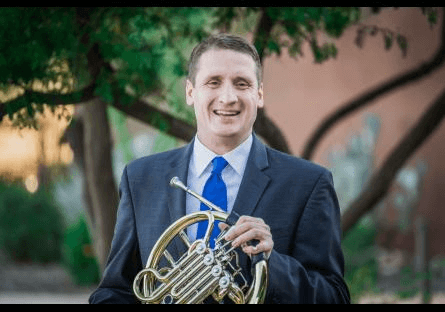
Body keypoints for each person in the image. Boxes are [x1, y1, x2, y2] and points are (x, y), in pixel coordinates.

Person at [89, 33, 350, 304]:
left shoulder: (309, 183)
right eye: (213, 82)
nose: (228, 97)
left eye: (242, 84)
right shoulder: (141, 178)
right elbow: (115, 290)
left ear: (259, 95)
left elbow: (334, 296)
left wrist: (271, 264)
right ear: (191, 92)